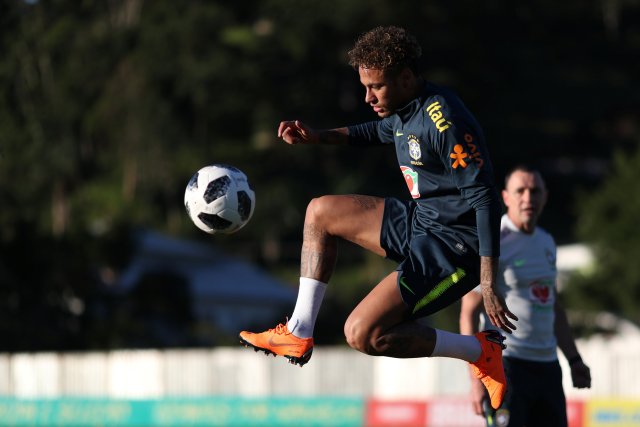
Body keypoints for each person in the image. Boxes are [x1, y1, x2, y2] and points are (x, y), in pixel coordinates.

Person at [239, 26, 517, 409]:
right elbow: (377, 131)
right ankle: (298, 331)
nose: (367, 97)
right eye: (364, 86)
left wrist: (487, 282)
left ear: (406, 78)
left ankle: (478, 350)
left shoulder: (444, 120)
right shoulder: (402, 108)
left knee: (361, 333)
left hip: (454, 250)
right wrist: (316, 136)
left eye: (376, 87)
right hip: (421, 221)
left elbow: (486, 198)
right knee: (319, 211)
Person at [460, 165, 592, 426]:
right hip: (506, 366)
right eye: (520, 191)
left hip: (548, 368)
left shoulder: (546, 242)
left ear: (545, 197)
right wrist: (475, 381)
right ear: (506, 197)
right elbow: (468, 313)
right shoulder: (493, 241)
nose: (528, 198)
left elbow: (553, 306)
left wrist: (574, 359)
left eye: (535, 191)